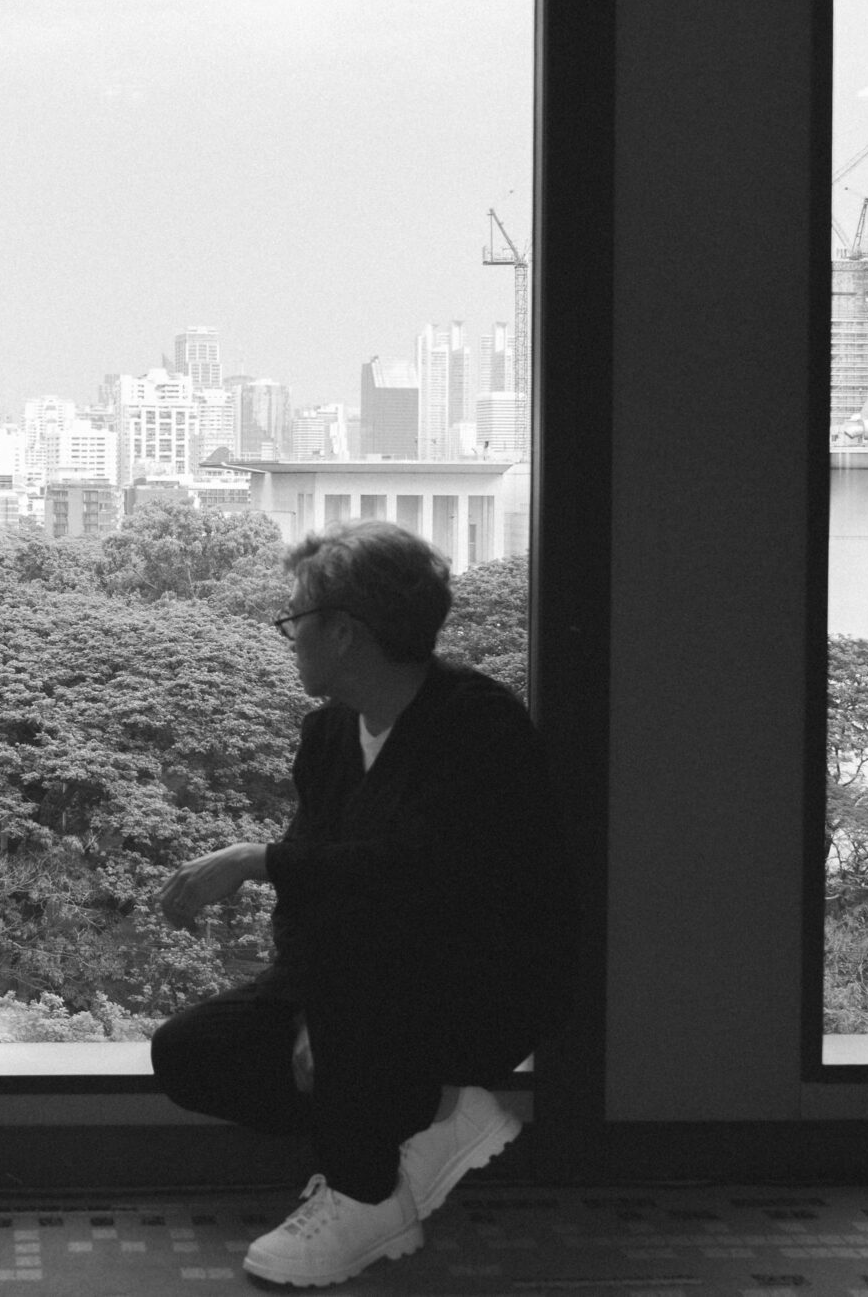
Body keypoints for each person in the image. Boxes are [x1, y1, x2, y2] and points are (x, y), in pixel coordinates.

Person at [151, 520, 574, 1289]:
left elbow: (419, 880)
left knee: (362, 989)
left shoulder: (477, 724)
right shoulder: (328, 734)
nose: (290, 638)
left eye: (296, 621)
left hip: (477, 985)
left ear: (344, 631)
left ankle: (365, 1193)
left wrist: (253, 859)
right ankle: (430, 1118)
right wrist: (309, 1007)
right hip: (359, 978)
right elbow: (317, 892)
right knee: (191, 1051)